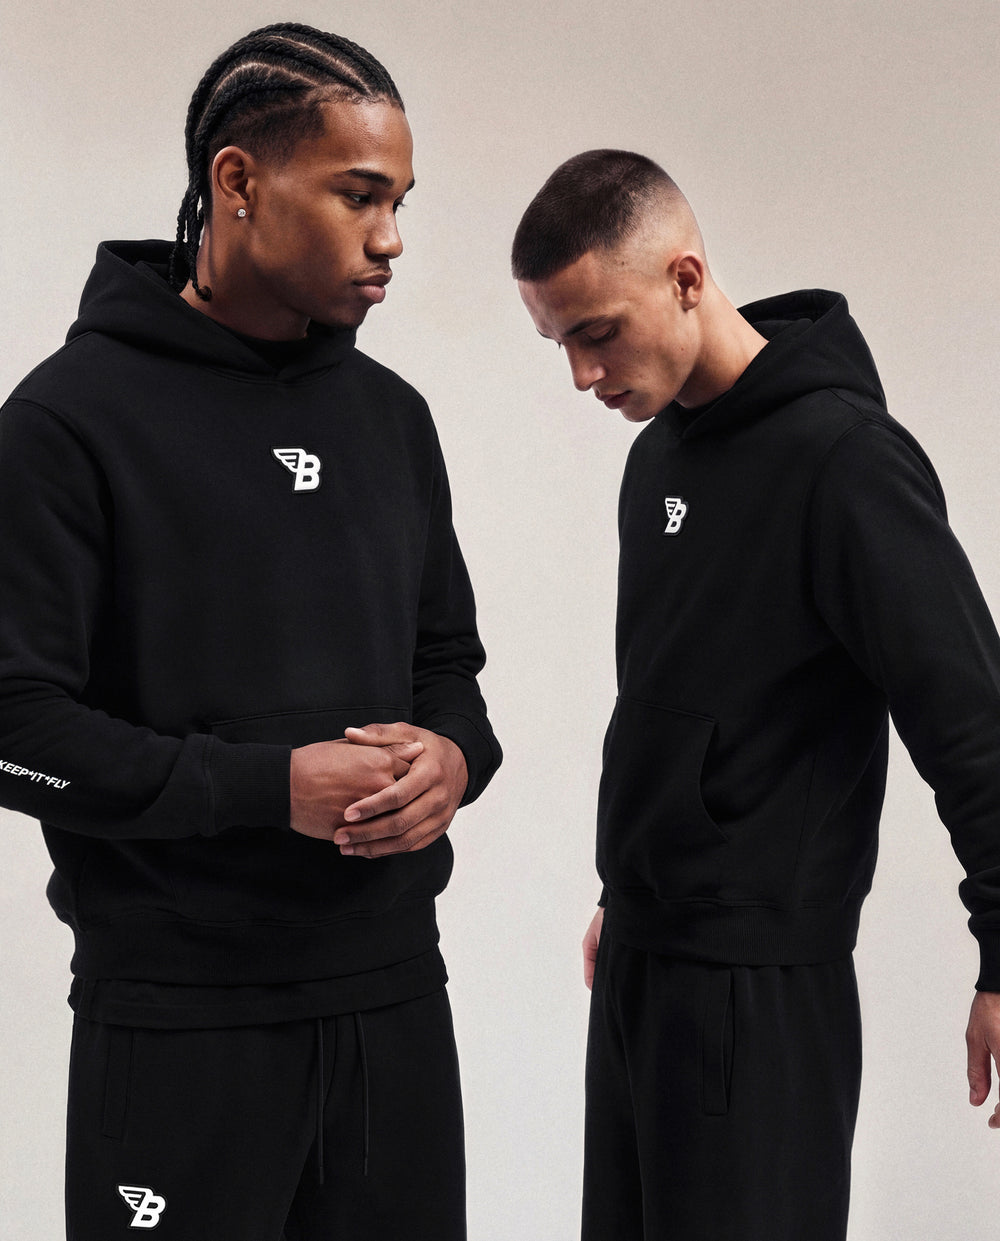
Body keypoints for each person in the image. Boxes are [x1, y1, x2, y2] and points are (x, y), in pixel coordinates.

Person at [0, 23, 500, 1241]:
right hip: (181, 1020)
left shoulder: (391, 418)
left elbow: (448, 665)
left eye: (399, 202)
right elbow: (13, 727)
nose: (390, 238)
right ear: (237, 181)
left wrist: (453, 756)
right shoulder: (67, 422)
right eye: (357, 195)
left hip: (392, 1003)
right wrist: (270, 786)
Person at [511, 148, 1000, 1241]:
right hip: (644, 956)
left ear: (685, 278)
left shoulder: (846, 462)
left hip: (759, 987)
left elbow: (971, 721)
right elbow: (683, 691)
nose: (583, 374)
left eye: (598, 331)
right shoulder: (658, 457)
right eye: (560, 344)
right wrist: (635, 881)